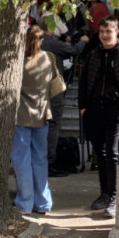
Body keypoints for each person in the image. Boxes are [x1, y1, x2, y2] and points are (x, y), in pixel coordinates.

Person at [78, 16, 119, 218]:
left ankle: (114, 196)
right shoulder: (94, 54)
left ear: (116, 32)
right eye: (102, 31)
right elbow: (83, 80)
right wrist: (83, 106)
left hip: (117, 110)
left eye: (108, 31)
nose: (104, 35)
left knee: (112, 152)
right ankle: (104, 193)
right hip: (95, 108)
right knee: (100, 153)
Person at [11, 26, 53, 216]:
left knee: (21, 160)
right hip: (42, 113)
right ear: (41, 40)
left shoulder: (19, 61)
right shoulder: (47, 58)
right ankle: (43, 202)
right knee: (40, 158)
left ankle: (25, 202)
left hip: (22, 114)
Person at [39, 19, 88, 177]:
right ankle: (50, 162)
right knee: (54, 124)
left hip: (37, 89)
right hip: (53, 89)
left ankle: (41, 160)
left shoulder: (36, 42)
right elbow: (74, 51)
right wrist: (82, 41)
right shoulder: (52, 43)